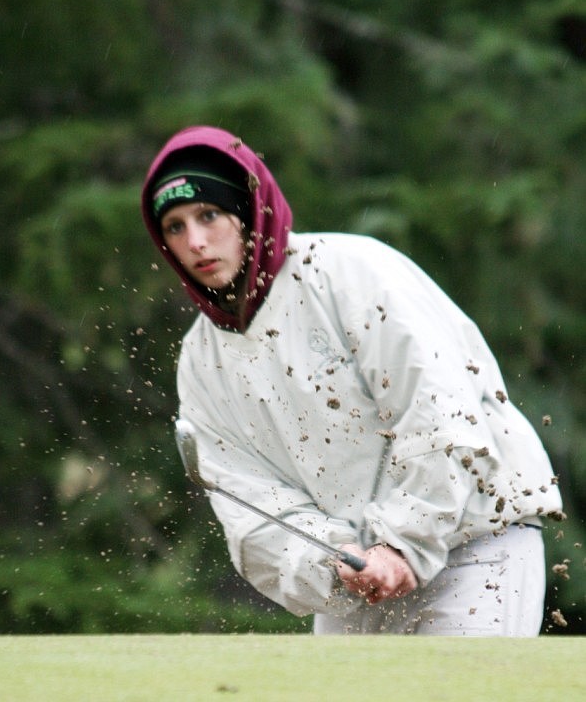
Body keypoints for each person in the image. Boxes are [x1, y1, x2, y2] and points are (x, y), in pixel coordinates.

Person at [140, 125, 563, 636]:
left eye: (209, 215)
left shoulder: (350, 273)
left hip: (472, 542)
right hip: (354, 581)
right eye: (176, 227)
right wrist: (331, 559)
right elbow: (248, 501)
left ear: (252, 212)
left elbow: (440, 410)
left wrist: (402, 544)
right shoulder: (199, 359)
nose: (197, 241)